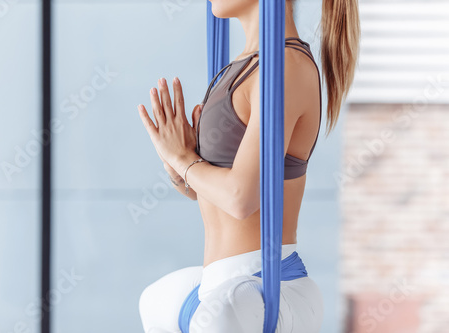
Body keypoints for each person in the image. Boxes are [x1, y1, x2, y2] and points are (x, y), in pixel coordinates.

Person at [137, 0, 360, 332]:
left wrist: (185, 161)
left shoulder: (285, 66)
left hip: (260, 288)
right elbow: (214, 194)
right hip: (215, 283)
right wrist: (179, 164)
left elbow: (242, 199)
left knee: (221, 316)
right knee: (153, 300)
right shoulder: (243, 67)